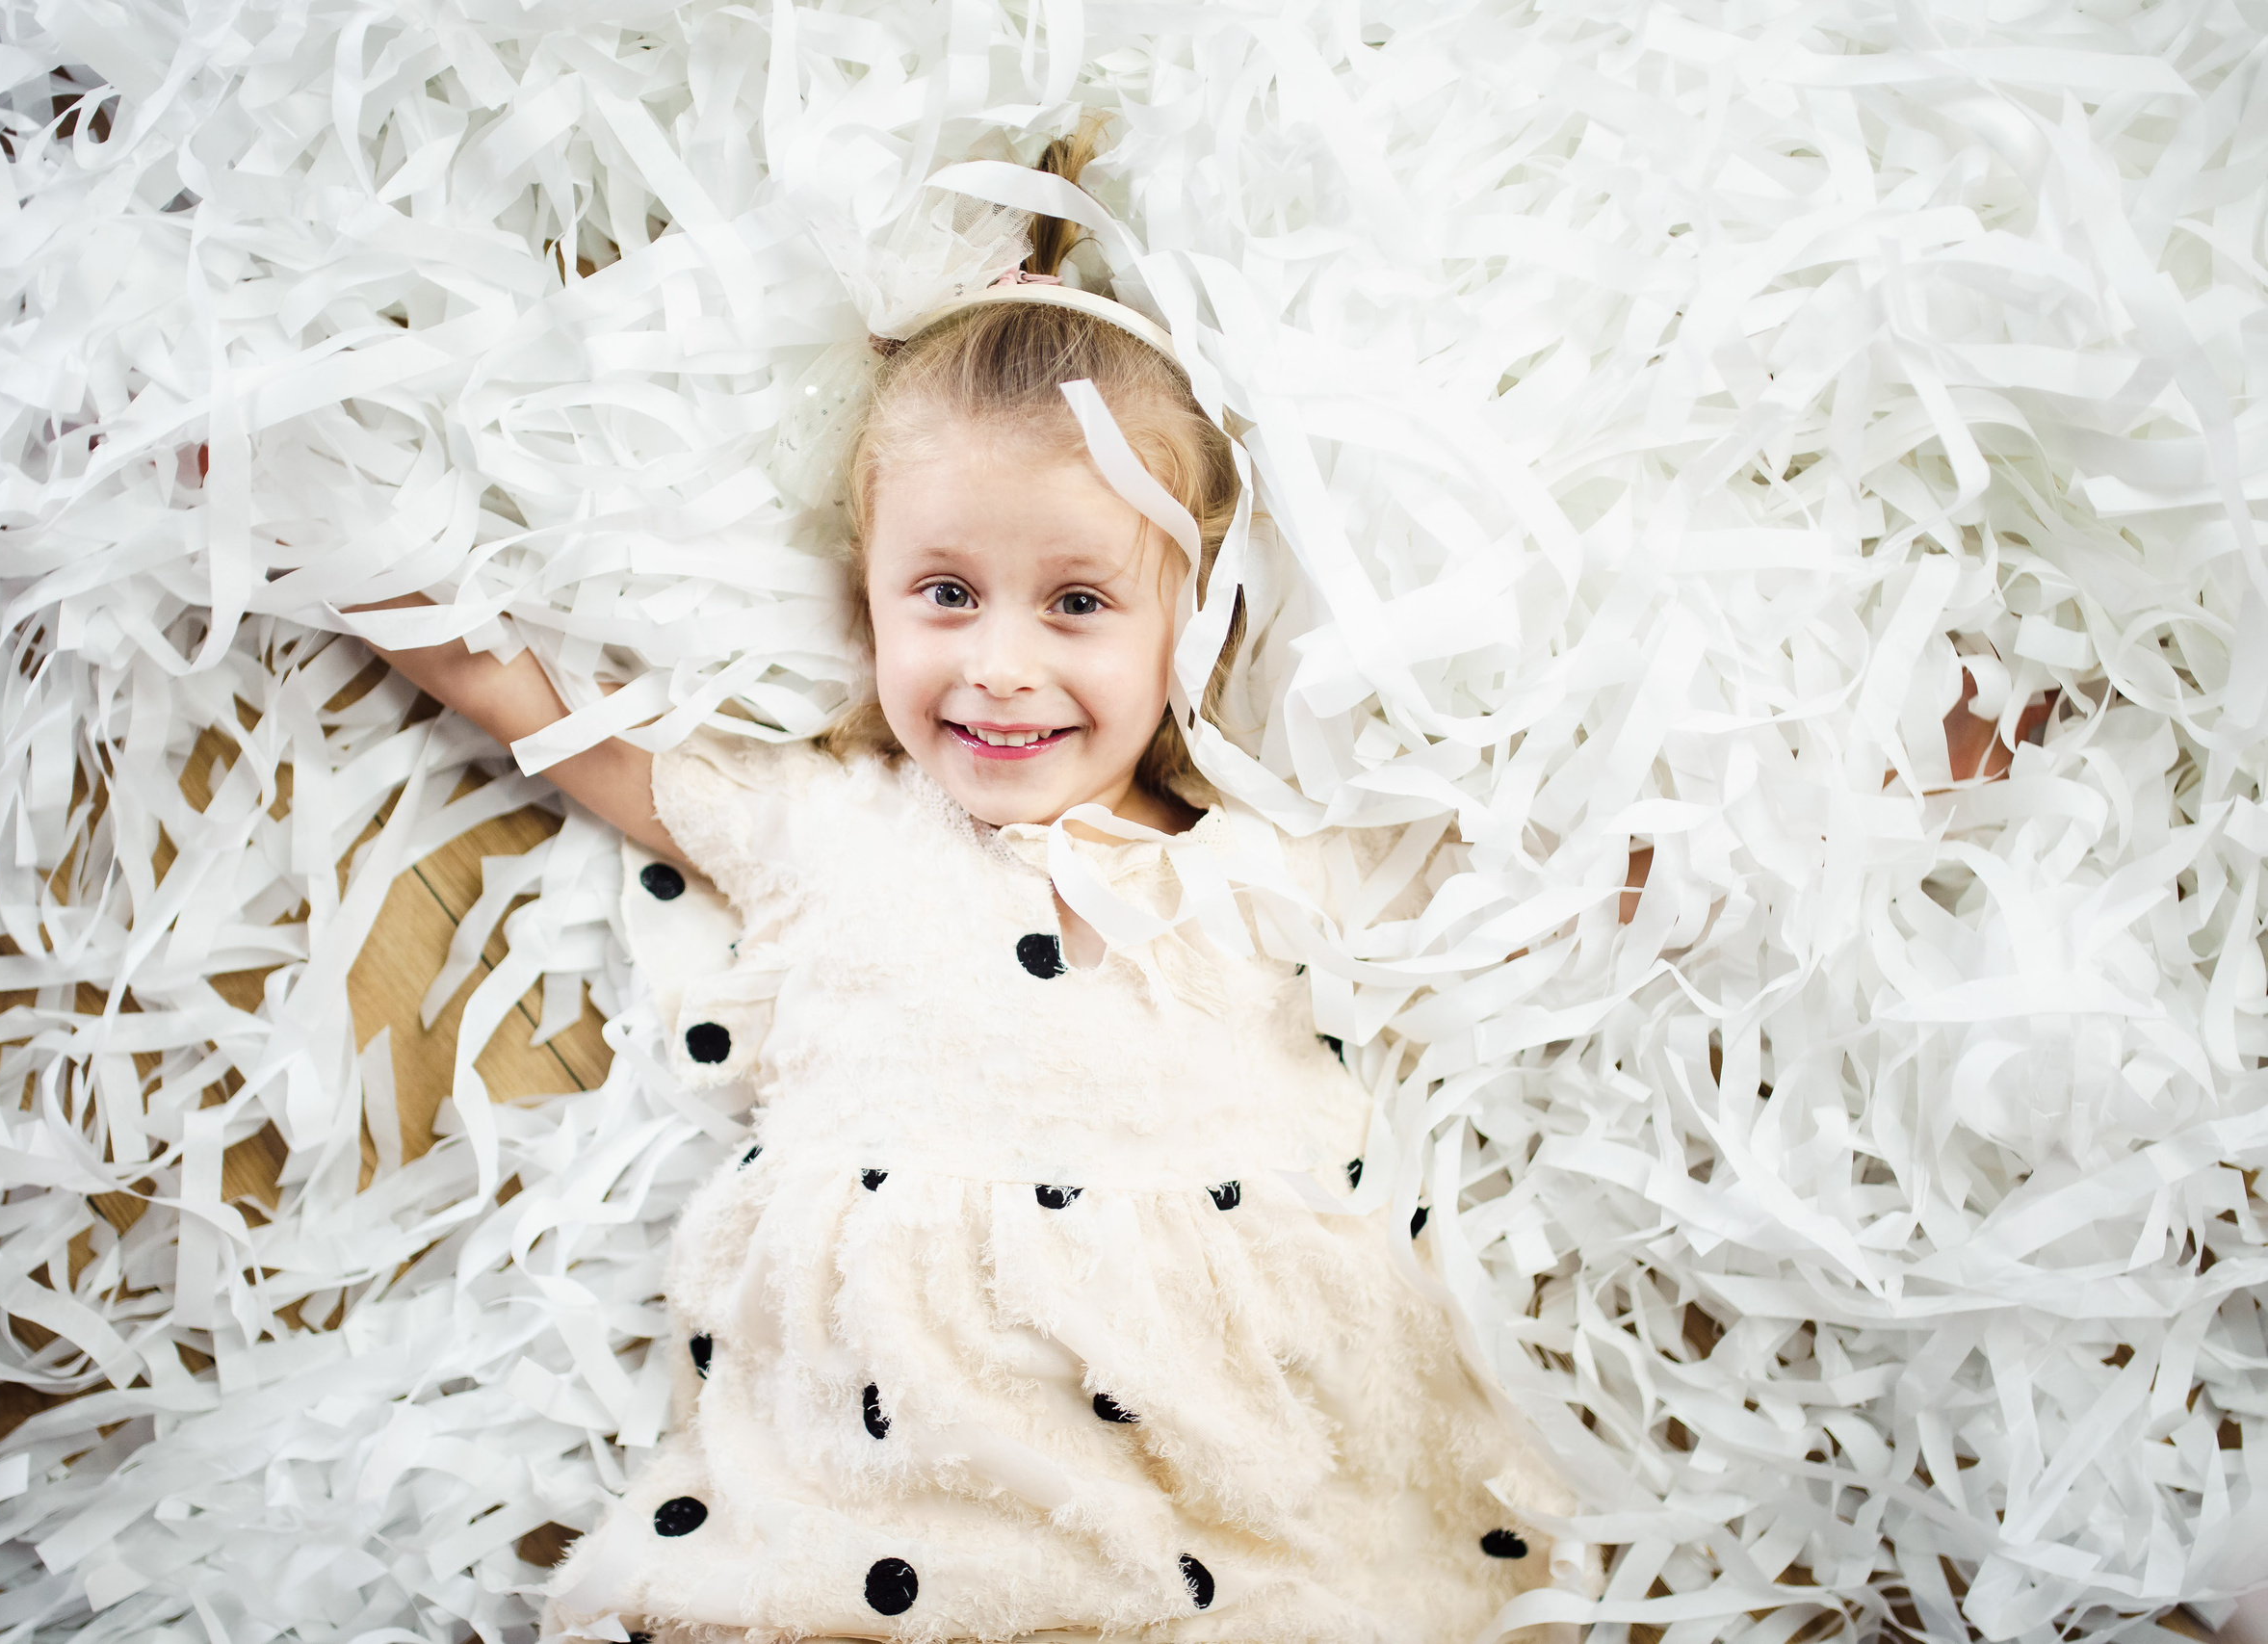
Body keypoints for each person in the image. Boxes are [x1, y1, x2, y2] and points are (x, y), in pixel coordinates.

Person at [352, 139, 2045, 1644]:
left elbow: (1579, 886)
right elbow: (535, 708)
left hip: (1240, 1453)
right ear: (865, 595)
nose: (998, 665)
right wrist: (324, 549)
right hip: (882, 1456)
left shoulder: (1268, 865)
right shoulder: (823, 822)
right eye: (943, 592)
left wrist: (1893, 775)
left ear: (1188, 627)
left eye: (1077, 603)